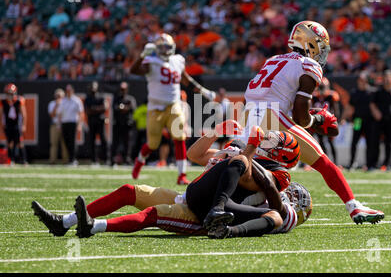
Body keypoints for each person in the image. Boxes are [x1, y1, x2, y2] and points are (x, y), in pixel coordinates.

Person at [31, 122, 309, 239]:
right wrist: (215, 132)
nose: (266, 140)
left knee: (154, 213)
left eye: (272, 141)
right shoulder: (244, 155)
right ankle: (64, 222)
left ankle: (93, 227)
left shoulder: (276, 175)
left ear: (281, 153)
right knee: (131, 190)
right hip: (190, 195)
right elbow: (195, 154)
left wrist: (246, 149)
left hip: (202, 214)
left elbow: (256, 176)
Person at [242, 20, 384, 224]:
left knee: (251, 168)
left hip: (247, 115)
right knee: (324, 162)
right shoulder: (309, 65)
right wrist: (317, 120)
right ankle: (354, 207)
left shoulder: (273, 59)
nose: (322, 52)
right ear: (311, 43)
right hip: (272, 116)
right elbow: (301, 117)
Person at [129, 33, 216, 185]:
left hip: (173, 105)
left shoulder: (177, 60)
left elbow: (186, 79)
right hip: (155, 107)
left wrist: (203, 90)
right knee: (153, 144)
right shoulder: (151, 61)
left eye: (168, 47)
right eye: (162, 47)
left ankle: (181, 175)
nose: (165, 50)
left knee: (179, 137)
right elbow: (134, 71)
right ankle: (140, 160)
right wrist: (142, 56)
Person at [341, 72, 374, 170]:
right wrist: (343, 118)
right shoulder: (354, 93)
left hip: (369, 120)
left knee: (370, 142)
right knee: (354, 141)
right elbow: (349, 107)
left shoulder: (371, 92)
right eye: (360, 80)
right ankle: (352, 163)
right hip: (358, 120)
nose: (362, 82)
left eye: (363, 80)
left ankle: (369, 164)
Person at [311, 77, 340, 163]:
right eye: (320, 87)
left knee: (331, 143)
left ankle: (335, 162)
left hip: (329, 122)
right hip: (319, 122)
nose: (321, 89)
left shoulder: (331, 96)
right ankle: (326, 162)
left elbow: (336, 109)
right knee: (321, 143)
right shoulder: (314, 97)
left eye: (323, 87)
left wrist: (335, 121)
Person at [0, 83, 28, 164]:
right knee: (9, 143)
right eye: (8, 93)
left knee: (20, 142)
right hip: (8, 124)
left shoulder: (19, 101)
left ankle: (24, 160)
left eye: (10, 93)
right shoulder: (3, 102)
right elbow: (1, 115)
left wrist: (24, 125)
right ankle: (11, 160)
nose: (9, 95)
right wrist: (1, 127)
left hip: (17, 124)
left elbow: (24, 114)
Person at [111, 82, 136, 165]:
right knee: (115, 142)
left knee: (127, 143)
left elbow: (132, 108)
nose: (123, 91)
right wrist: (124, 108)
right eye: (121, 89)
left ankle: (127, 159)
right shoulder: (117, 98)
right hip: (118, 123)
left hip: (127, 124)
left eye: (124, 89)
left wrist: (124, 108)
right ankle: (113, 159)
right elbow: (115, 108)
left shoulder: (130, 99)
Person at [59, 84, 84, 166]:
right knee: (66, 142)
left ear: (72, 91)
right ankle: (70, 159)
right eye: (67, 91)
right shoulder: (63, 100)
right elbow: (60, 113)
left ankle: (73, 159)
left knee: (72, 142)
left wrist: (80, 124)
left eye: (69, 90)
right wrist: (59, 125)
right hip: (64, 123)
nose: (68, 92)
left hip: (73, 123)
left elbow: (81, 113)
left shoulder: (77, 100)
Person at [84, 81, 108, 165]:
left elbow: (105, 108)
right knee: (92, 141)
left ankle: (105, 159)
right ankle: (94, 160)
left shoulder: (101, 97)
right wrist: (98, 109)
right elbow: (87, 111)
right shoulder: (88, 98)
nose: (93, 88)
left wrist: (93, 109)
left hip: (100, 121)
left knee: (103, 140)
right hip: (92, 122)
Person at [48, 88, 68, 164]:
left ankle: (65, 161)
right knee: (54, 144)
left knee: (64, 144)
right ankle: (52, 160)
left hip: (64, 125)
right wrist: (57, 105)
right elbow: (52, 115)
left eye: (60, 96)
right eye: (57, 95)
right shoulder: (52, 103)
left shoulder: (66, 103)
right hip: (55, 125)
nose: (59, 97)